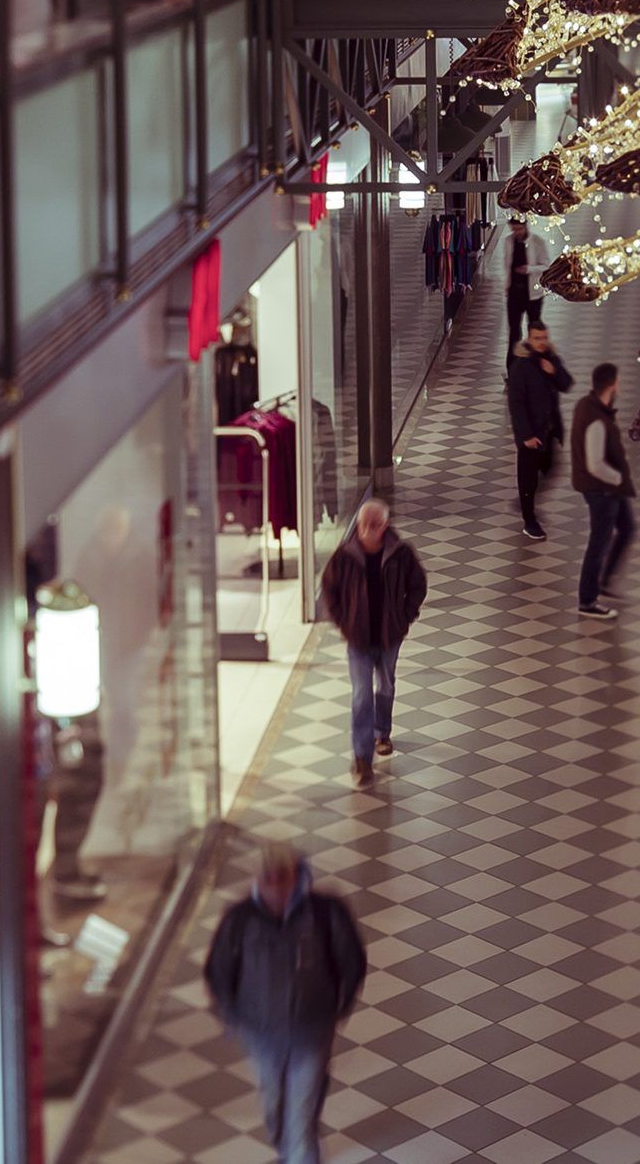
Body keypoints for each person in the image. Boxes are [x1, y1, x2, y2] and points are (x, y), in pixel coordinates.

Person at [203, 841, 368, 1164]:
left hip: (311, 1029)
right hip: (261, 1032)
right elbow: (219, 970)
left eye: (282, 877)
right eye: (268, 878)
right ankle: (287, 1145)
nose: (275, 886)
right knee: (273, 1101)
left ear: (297, 876)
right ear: (257, 880)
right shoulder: (241, 920)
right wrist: (232, 1015)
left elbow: (352, 960)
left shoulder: (326, 912)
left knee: (301, 1109)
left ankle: (301, 1153)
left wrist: (339, 1006)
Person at [317, 495, 426, 787]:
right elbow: (330, 590)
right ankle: (362, 758)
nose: (368, 528)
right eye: (364, 523)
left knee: (386, 685)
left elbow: (418, 585)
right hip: (360, 639)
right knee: (361, 693)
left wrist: (404, 617)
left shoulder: (401, 553)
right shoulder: (345, 556)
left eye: (374, 524)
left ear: (384, 525)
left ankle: (382, 731)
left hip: (389, 635)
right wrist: (344, 623)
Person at [571, 362, 636, 618]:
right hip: (602, 490)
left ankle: (605, 581)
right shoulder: (596, 419)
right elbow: (595, 464)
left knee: (627, 527)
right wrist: (618, 478)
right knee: (599, 542)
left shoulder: (589, 406)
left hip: (609, 489)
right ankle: (587, 600)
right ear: (612, 385)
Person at [504, 319, 572, 540]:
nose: (542, 342)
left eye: (544, 338)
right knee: (528, 478)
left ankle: (527, 501)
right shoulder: (520, 367)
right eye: (537, 338)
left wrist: (554, 371)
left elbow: (566, 383)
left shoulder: (551, 359)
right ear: (529, 338)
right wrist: (525, 436)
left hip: (549, 430)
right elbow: (516, 404)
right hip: (531, 435)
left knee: (551, 467)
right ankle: (528, 518)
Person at [504, 216, 536, 337]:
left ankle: (531, 355)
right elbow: (507, 264)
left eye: (519, 229)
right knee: (514, 331)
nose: (516, 232)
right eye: (514, 229)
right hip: (514, 292)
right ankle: (514, 355)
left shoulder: (536, 242)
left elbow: (545, 266)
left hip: (531, 292)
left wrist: (528, 269)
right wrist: (507, 286)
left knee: (533, 329)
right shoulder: (508, 241)